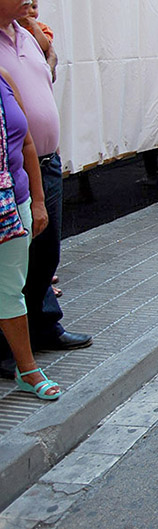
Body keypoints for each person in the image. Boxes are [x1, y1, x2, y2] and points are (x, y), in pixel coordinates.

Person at [0, 0, 91, 375]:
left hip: (45, 163)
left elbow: (44, 77)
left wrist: (48, 52)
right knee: (12, 263)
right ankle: (10, 346)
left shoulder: (27, 33)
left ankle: (44, 327)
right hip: (10, 172)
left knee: (46, 251)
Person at [0, 67, 59, 400]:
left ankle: (27, 368)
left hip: (12, 202)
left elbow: (26, 142)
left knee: (10, 289)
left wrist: (38, 200)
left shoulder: (4, 76)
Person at [16, 0, 56, 82]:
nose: (31, 11)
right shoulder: (13, 28)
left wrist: (35, 27)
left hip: (37, 69)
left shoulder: (42, 28)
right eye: (26, 7)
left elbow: (45, 46)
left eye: (34, 7)